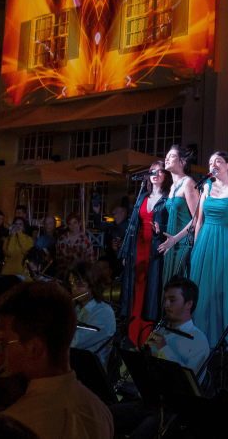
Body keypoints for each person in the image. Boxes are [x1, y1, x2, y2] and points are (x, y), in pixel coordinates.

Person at [0, 280, 114, 439]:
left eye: (4, 344)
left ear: (34, 349)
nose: (0, 355)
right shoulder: (99, 411)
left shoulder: (15, 422)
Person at [111, 276, 210, 439]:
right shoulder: (161, 332)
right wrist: (136, 362)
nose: (166, 305)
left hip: (174, 411)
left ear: (189, 304)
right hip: (147, 402)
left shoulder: (199, 341)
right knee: (102, 416)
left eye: (172, 300)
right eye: (165, 300)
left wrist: (164, 348)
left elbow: (189, 385)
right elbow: (137, 379)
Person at [185, 152, 228, 363]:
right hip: (204, 246)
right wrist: (195, 251)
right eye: (211, 162)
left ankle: (227, 357)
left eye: (218, 161)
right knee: (202, 296)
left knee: (224, 295)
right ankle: (199, 352)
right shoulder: (206, 187)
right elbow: (199, 222)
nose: (214, 165)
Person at [119, 163, 169, 346]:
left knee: (151, 291)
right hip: (138, 248)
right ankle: (132, 336)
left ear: (166, 175)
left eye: (160, 171)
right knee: (136, 290)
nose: (155, 174)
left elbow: (172, 223)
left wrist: (161, 228)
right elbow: (133, 225)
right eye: (152, 171)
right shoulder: (143, 196)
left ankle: (146, 337)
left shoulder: (168, 197)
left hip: (155, 249)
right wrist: (126, 251)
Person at [157, 144, 199, 283]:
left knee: (178, 285)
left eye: (172, 156)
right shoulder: (172, 186)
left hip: (183, 244)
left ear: (183, 162)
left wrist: (176, 238)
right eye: (166, 156)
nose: (167, 159)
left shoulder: (189, 183)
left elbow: (197, 219)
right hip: (171, 243)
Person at [69, 261, 117, 367]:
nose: (74, 288)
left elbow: (74, 342)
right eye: (72, 283)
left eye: (79, 283)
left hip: (92, 373)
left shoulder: (104, 312)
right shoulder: (76, 308)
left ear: (91, 283)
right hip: (74, 367)